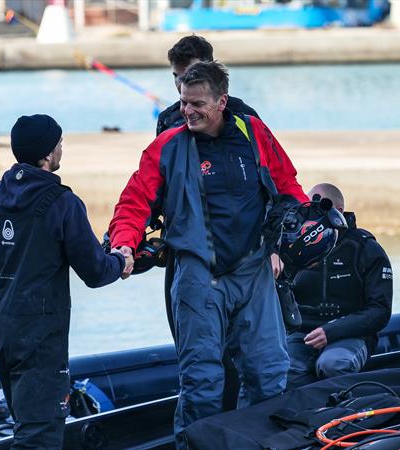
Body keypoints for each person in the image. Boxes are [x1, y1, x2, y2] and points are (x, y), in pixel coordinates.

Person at [109, 61, 308, 448]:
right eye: (184, 102)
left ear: (222, 102)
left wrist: (306, 222)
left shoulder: (253, 132)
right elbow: (135, 201)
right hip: (199, 273)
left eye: (197, 103)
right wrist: (124, 244)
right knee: (202, 383)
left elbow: (287, 184)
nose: (188, 111)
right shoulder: (167, 145)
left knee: (270, 374)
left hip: (254, 270)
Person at [0, 114, 131, 448]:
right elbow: (95, 272)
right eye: (59, 143)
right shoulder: (62, 203)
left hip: (3, 330)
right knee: (39, 436)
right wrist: (120, 261)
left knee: (26, 426)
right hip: (41, 339)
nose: (61, 149)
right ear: (47, 153)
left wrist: (8, 304)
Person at [156, 34, 262, 413]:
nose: (182, 91)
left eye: (189, 77)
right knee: (193, 348)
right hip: (188, 248)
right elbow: (158, 182)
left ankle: (237, 421)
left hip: (241, 257)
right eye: (176, 79)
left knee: (247, 352)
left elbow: (266, 180)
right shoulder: (169, 121)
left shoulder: (246, 119)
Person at [286, 183, 393, 389]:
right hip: (303, 335)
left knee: (333, 364)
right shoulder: (296, 248)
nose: (311, 216)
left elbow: (380, 311)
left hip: (350, 335)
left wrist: (332, 330)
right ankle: (305, 415)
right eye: (309, 209)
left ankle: (343, 414)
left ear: (338, 211)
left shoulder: (366, 249)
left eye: (318, 209)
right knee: (283, 368)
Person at [156, 34, 259, 136]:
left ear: (211, 68)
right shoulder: (166, 120)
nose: (182, 83)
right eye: (176, 76)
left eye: (191, 74)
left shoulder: (246, 117)